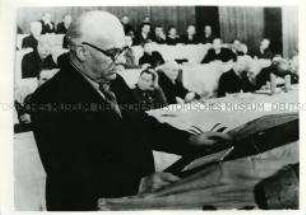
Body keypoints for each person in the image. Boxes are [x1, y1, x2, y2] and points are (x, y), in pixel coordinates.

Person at [28, 11, 230, 211]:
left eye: (123, 50)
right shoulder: (49, 99)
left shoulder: (116, 82)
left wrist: (188, 141)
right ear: (82, 52)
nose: (123, 60)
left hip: (136, 201)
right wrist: (136, 184)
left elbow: (143, 125)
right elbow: (70, 173)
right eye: (113, 53)